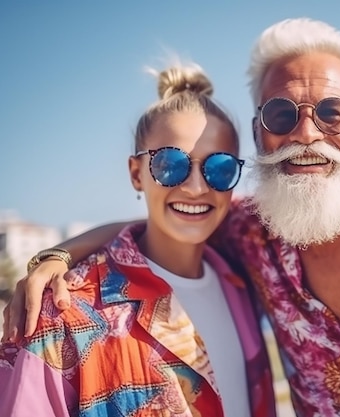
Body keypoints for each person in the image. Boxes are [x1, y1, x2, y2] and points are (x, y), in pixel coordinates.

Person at [3, 18, 340, 416]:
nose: (306, 133)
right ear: (258, 134)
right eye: (280, 114)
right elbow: (159, 223)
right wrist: (58, 255)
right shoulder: (250, 233)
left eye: (333, 112)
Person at [0, 62, 275, 417]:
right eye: (171, 165)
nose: (195, 187)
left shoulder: (241, 281)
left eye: (220, 168)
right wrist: (56, 257)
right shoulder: (62, 313)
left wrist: (59, 252)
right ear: (136, 173)